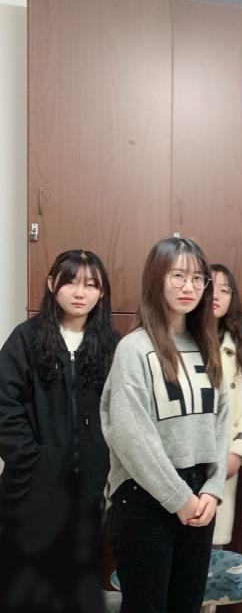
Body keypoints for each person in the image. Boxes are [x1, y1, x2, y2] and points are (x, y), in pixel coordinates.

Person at [102, 237, 228, 612]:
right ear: (156, 279)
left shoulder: (207, 346)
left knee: (187, 605)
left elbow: (221, 424)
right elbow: (130, 435)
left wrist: (213, 490)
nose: (189, 287)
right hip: (145, 496)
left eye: (197, 278)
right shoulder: (134, 349)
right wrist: (178, 498)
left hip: (199, 497)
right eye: (177, 276)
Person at [0, 250, 117, 613]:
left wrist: (103, 463)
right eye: (71, 282)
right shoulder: (25, 338)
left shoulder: (111, 345)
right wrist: (31, 462)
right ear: (52, 284)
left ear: (101, 292)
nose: (80, 292)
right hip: (32, 488)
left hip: (89, 488)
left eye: (91, 284)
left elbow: (122, 413)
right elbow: (4, 406)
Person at [209, 264, 242, 547]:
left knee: (213, 548)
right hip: (178, 462)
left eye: (225, 291)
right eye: (210, 287)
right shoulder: (172, 342)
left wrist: (238, 452)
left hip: (224, 460)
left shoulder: (240, 348)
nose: (216, 296)